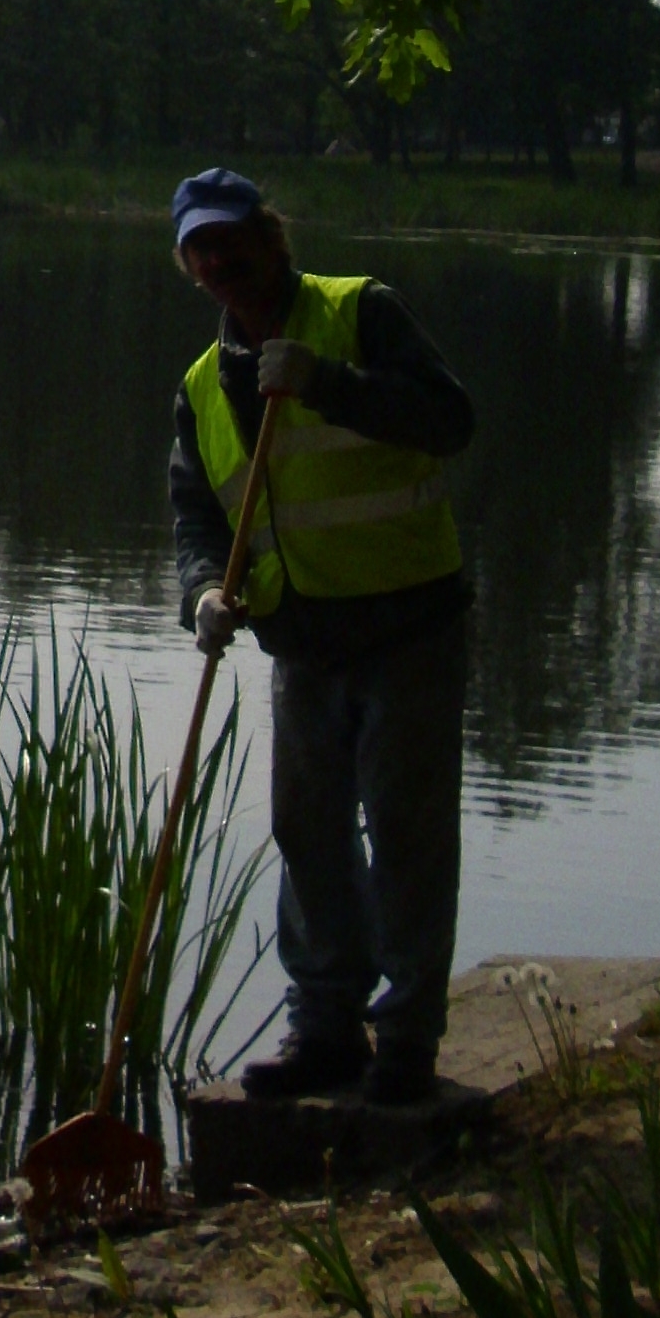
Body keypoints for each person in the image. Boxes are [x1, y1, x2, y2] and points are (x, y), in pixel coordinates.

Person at [167, 165, 476, 1105]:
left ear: (270, 237)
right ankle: (326, 1027)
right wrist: (201, 594)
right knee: (308, 835)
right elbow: (196, 515)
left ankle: (408, 1039)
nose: (219, 261)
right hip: (301, 643)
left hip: (408, 623)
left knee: (408, 831)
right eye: (200, 248)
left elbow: (449, 421)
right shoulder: (202, 384)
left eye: (231, 240)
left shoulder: (360, 312)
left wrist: (329, 385)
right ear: (187, 263)